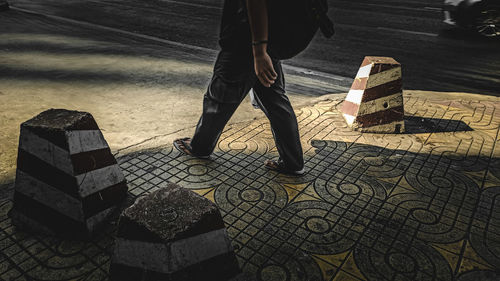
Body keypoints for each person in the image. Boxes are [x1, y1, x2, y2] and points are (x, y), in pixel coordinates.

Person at [173, 0, 305, 175]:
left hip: (246, 39)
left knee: (219, 99)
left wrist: (259, 51)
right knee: (274, 99)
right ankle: (293, 162)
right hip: (269, 38)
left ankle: (200, 147)